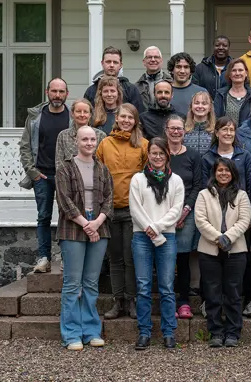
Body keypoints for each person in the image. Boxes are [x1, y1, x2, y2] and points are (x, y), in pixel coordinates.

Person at [56, 126, 113, 351]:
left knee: (91, 283)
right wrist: (86, 224)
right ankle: (71, 334)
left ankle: (91, 331)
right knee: (72, 284)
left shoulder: (102, 168)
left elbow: (110, 198)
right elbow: (64, 200)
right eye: (85, 139)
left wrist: (96, 223)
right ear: (76, 142)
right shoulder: (65, 168)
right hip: (73, 228)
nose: (89, 143)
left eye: (92, 139)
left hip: (99, 226)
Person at [129, 137, 185, 350]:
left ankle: (169, 332)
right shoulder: (138, 179)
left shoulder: (176, 181)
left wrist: (158, 229)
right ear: (148, 155)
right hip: (142, 236)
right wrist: (150, 230)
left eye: (161, 153)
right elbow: (135, 209)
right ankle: (144, 332)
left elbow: (176, 210)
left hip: (167, 237)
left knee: (167, 286)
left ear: (167, 156)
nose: (158, 157)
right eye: (154, 153)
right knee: (143, 287)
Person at [96, 103, 149, 320]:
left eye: (130, 117)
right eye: (123, 117)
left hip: (133, 211)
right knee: (115, 259)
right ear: (116, 118)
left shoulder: (143, 144)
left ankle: (132, 300)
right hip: (110, 210)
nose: (126, 121)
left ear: (135, 121)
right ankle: (118, 301)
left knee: (131, 258)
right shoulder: (105, 144)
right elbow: (97, 175)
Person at [201, 117, 251, 318]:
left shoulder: (245, 155)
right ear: (216, 133)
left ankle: (250, 299)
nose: (227, 133)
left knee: (244, 258)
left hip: (240, 214)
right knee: (211, 261)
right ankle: (208, 302)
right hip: (214, 215)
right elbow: (204, 185)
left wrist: (249, 214)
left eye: (231, 130)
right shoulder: (208, 157)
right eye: (223, 130)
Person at [195, 158, 251, 347]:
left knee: (233, 293)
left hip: (236, 251)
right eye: (220, 170)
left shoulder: (241, 195)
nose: (223, 174)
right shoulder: (204, 194)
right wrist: (218, 238)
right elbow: (200, 220)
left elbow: (244, 220)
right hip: (209, 250)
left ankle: (233, 333)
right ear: (214, 173)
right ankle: (216, 333)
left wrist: (228, 237)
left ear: (233, 173)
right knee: (212, 293)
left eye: (227, 171)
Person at [19, 78, 72, 273]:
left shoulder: (72, 116)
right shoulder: (35, 117)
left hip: (66, 176)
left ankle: (67, 257)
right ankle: (44, 258)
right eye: (54, 91)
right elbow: (25, 146)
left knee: (68, 216)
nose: (57, 95)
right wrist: (33, 173)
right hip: (42, 175)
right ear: (47, 92)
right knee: (44, 217)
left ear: (67, 93)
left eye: (61, 91)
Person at [165, 115, 202, 320]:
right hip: (162, 213)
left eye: (179, 129)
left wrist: (185, 210)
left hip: (186, 214)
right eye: (172, 128)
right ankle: (167, 299)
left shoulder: (194, 156)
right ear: (166, 130)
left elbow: (197, 185)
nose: (176, 132)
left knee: (183, 258)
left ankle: (184, 301)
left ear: (184, 132)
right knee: (165, 258)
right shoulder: (160, 154)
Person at [84, 46, 145, 113]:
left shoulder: (131, 90)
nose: (112, 65)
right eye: (108, 62)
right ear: (102, 63)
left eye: (115, 62)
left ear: (121, 65)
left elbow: (139, 116)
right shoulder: (91, 91)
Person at [55, 99, 108, 172]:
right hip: (69, 180)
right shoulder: (63, 136)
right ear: (72, 114)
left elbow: (104, 164)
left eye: (85, 112)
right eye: (78, 111)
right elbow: (59, 164)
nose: (82, 115)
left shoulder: (100, 135)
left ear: (90, 115)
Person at [214, 58, 251, 127]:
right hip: (226, 135)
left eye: (240, 70)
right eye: (234, 70)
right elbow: (216, 118)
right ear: (229, 74)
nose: (237, 73)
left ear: (246, 73)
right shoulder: (220, 94)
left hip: (247, 136)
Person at [168, 52, 207, 117]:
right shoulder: (164, 92)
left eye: (186, 67)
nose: (182, 71)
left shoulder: (201, 92)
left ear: (191, 71)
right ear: (172, 70)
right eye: (178, 67)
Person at [136, 46, 173, 110]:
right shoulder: (137, 86)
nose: (153, 60)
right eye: (149, 57)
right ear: (144, 62)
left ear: (161, 61)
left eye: (156, 57)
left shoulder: (171, 82)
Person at [184, 91, 217, 158]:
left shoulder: (216, 131)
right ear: (191, 106)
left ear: (210, 108)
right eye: (196, 103)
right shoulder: (183, 130)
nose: (200, 106)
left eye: (204, 103)